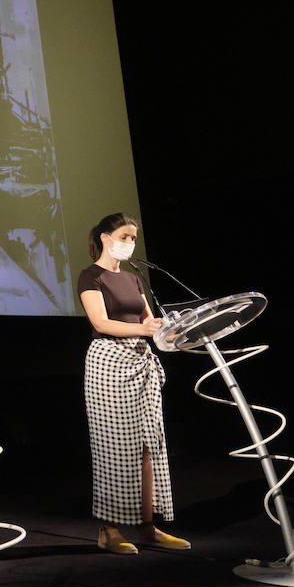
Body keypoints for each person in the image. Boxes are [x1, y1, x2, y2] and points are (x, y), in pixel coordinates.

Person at [77, 213, 191, 554]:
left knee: (147, 447)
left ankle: (148, 526)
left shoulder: (133, 279)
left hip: (140, 362)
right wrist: (144, 329)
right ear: (104, 237)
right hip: (108, 363)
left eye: (133, 238)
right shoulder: (90, 276)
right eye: (125, 236)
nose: (130, 243)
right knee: (113, 447)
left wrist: (166, 327)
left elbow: (146, 319)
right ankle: (109, 530)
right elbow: (101, 322)